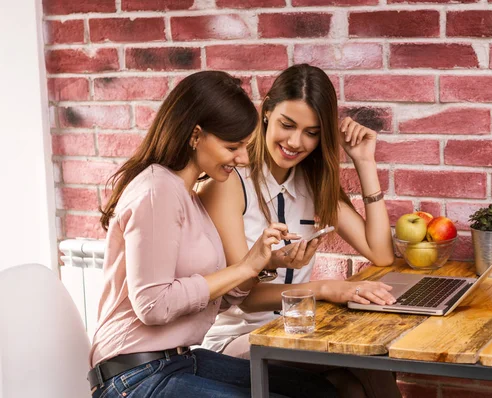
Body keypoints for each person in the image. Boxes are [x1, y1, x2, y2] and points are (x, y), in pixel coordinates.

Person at [89, 71, 337, 398]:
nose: (242, 158)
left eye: (245, 147)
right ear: (196, 135)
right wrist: (243, 269)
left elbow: (216, 300)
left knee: (319, 391)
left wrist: (261, 262)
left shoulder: (189, 195)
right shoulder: (157, 190)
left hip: (178, 361)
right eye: (232, 146)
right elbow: (153, 304)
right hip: (134, 376)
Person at [198, 64, 401, 398]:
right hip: (238, 339)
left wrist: (365, 162)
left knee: (360, 377)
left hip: (298, 330)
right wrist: (323, 289)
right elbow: (244, 299)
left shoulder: (311, 181)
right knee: (363, 368)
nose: (295, 142)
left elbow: (379, 253)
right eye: (287, 125)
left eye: (312, 132)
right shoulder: (230, 181)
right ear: (265, 114)